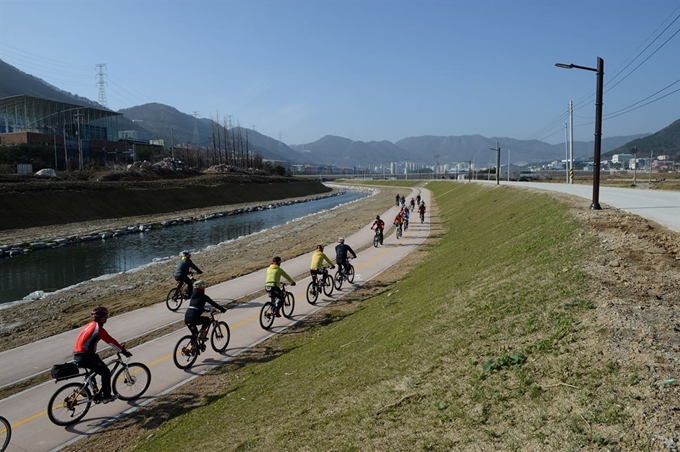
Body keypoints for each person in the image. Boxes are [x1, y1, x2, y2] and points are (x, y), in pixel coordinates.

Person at [73, 306, 132, 404]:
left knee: (95, 367)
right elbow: (111, 341)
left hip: (79, 354)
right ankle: (106, 396)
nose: (107, 318)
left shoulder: (90, 324)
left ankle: (85, 387)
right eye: (106, 316)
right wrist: (123, 351)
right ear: (101, 317)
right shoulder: (98, 329)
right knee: (105, 372)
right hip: (86, 356)